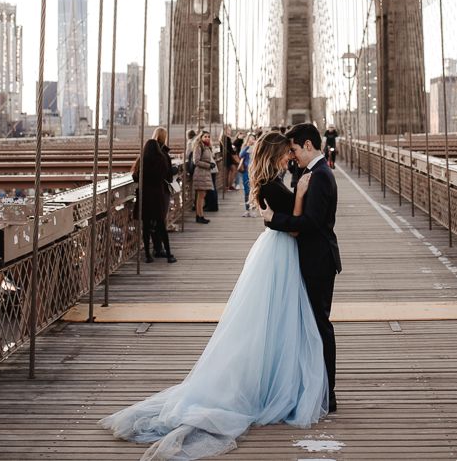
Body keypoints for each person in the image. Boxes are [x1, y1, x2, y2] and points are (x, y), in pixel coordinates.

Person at [100, 131, 328, 460]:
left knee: (268, 319)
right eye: (286, 153)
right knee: (277, 317)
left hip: (271, 253)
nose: (290, 157)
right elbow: (292, 225)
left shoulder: (268, 181)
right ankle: (270, 382)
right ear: (276, 153)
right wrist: (302, 192)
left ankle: (268, 375)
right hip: (280, 253)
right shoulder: (275, 186)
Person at [259, 122, 341, 413]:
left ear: (308, 145)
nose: (292, 156)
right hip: (308, 258)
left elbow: (310, 224)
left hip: (318, 261)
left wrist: (273, 220)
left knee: (319, 326)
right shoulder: (311, 173)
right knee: (308, 326)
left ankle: (327, 394)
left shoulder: (319, 175)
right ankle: (312, 387)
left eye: (294, 149)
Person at [133, 127, 178, 263]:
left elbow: (135, 177)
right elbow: (169, 177)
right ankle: (169, 254)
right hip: (158, 196)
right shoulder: (162, 159)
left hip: (145, 197)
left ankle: (147, 255)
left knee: (146, 226)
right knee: (161, 226)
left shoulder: (141, 160)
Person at [192, 131, 213, 224]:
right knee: (200, 196)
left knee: (202, 196)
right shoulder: (198, 146)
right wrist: (208, 165)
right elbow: (196, 161)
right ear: (201, 137)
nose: (207, 138)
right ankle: (199, 216)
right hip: (200, 173)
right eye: (205, 136)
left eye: (208, 136)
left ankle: (200, 215)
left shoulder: (207, 147)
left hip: (205, 174)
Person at [239, 134, 256, 217]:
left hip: (255, 172)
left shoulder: (257, 148)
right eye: (250, 138)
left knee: (253, 191)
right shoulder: (245, 147)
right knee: (246, 191)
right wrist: (247, 147)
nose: (251, 140)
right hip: (246, 171)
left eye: (253, 138)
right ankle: (247, 210)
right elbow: (240, 155)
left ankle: (253, 209)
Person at [222, 126, 239, 190]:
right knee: (233, 170)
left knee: (228, 171)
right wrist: (235, 152)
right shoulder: (226, 138)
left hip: (225, 156)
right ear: (225, 130)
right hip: (228, 157)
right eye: (229, 130)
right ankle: (229, 186)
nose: (230, 131)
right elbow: (230, 150)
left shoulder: (222, 138)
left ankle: (228, 186)